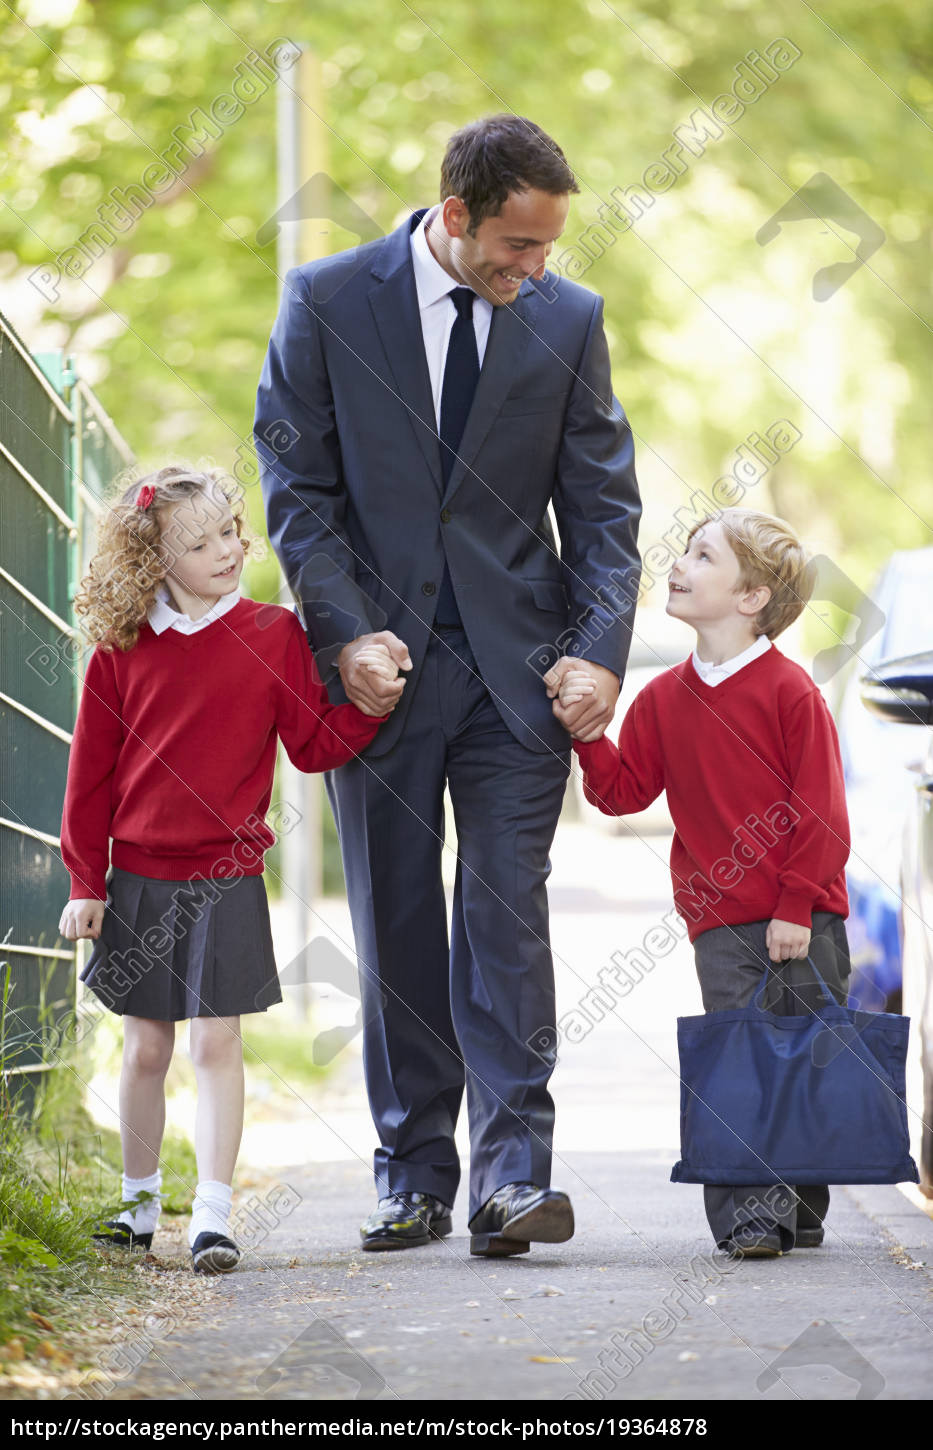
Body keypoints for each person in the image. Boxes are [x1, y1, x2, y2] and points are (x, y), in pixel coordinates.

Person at [256, 115, 641, 1257]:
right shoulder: (325, 301)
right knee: (399, 916)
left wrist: (601, 649)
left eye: (548, 247)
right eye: (518, 244)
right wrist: (344, 633)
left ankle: (513, 1177)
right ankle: (412, 1170)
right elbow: (298, 489)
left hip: (520, 675)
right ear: (457, 211)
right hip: (381, 673)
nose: (536, 269)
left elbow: (607, 508)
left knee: (506, 913)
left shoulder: (570, 319)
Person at [58, 464, 386, 1274]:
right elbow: (88, 777)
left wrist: (369, 709)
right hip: (136, 876)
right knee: (143, 1051)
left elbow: (311, 744)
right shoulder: (123, 650)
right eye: (198, 542)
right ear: (155, 560)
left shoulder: (272, 633)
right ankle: (136, 1207)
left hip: (227, 878)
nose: (227, 551)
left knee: (215, 1047)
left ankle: (211, 1215)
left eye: (231, 533)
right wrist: (85, 883)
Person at [558, 507, 851, 1258]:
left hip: (805, 919)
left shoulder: (789, 693)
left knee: (803, 1061)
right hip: (719, 923)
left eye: (702, 556)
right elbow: (624, 793)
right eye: (683, 552)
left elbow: (818, 812)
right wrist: (590, 737)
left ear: (750, 597)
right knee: (737, 1062)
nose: (677, 565)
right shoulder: (661, 699)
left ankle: (796, 1204)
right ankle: (749, 1216)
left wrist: (793, 905)